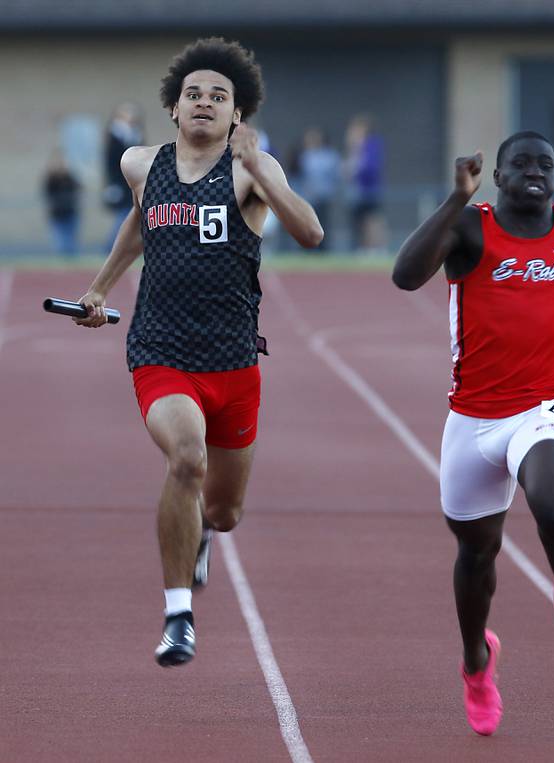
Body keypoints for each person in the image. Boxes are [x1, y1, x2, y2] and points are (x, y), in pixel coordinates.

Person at [392, 131, 554, 736]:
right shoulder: (470, 229)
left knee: (552, 501)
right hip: (472, 421)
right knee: (475, 558)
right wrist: (456, 200)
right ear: (500, 177)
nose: (535, 172)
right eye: (521, 164)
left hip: (544, 407)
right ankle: (477, 664)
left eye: (546, 164)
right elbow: (406, 276)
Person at [73, 37, 323, 667]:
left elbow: (312, 233)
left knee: (227, 510)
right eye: (194, 96)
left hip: (235, 364)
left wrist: (263, 168)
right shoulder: (141, 164)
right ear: (174, 109)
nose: (205, 104)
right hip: (159, 353)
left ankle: (204, 530)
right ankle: (178, 615)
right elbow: (140, 220)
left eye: (219, 97)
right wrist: (101, 287)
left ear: (238, 114)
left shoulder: (250, 172)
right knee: (186, 458)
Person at [102, 103, 145, 250]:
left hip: (134, 184)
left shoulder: (135, 134)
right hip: (122, 184)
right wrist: (113, 184)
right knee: (123, 218)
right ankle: (111, 249)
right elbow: (111, 163)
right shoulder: (116, 135)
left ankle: (117, 248)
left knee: (128, 217)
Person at [344, 114, 385, 250]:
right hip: (356, 190)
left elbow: (369, 167)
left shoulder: (371, 144)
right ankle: (363, 247)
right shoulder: (354, 146)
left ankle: (377, 247)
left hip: (369, 188)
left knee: (372, 220)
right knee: (359, 221)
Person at [42, 149, 81, 255]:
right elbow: (47, 194)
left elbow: (79, 188)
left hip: (70, 212)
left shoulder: (70, 177)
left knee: (70, 241)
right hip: (57, 213)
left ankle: (71, 265)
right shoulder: (51, 179)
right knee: (61, 242)